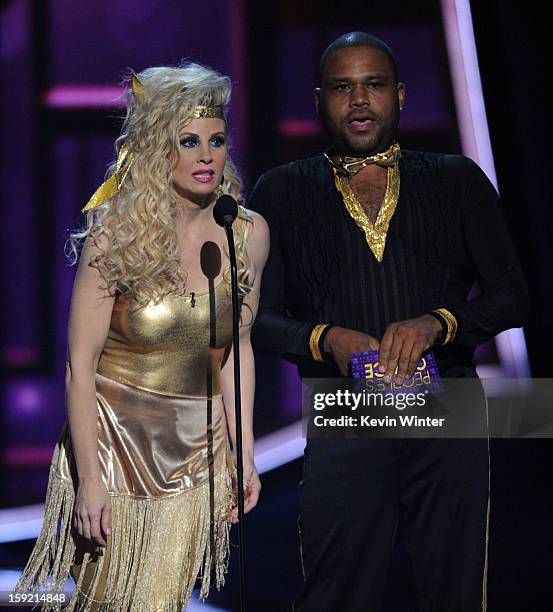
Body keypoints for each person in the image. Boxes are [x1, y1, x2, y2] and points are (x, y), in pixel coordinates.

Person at [248, 32, 528, 611]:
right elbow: (258, 320)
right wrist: (328, 340)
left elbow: (513, 295)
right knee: (335, 592)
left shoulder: (456, 178)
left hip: (446, 405)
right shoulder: (281, 191)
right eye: (342, 87)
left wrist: (438, 324)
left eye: (373, 85)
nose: (359, 100)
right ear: (319, 99)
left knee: (453, 590)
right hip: (342, 412)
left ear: (399, 95)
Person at [15, 62, 268, 611]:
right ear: (158, 148)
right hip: (112, 450)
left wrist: (242, 452)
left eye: (217, 140)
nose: (206, 155)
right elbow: (79, 366)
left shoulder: (246, 232)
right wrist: (88, 481)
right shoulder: (115, 233)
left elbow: (234, 349)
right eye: (189, 141)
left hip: (194, 458)